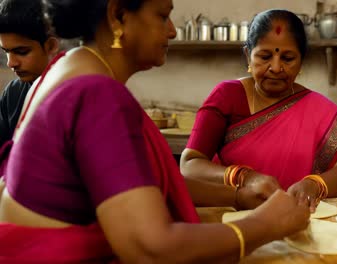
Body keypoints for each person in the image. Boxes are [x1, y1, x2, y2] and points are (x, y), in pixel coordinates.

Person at [0, 0, 310, 263]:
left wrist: (237, 195)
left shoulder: (67, 68)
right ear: (118, 15)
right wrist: (267, 225)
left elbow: (131, 185)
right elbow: (149, 248)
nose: (172, 30)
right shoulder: (96, 93)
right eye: (162, 16)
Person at [180, 9, 337, 211]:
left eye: (287, 58)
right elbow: (190, 165)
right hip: (235, 219)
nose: (276, 67)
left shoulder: (316, 108)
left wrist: (315, 184)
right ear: (247, 56)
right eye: (265, 56)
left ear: (301, 60)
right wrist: (244, 177)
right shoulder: (227, 96)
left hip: (296, 219)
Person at [0, 0, 59, 150]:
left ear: (51, 46)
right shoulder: (12, 93)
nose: (11, 63)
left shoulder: (72, 95)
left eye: (21, 52)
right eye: (6, 52)